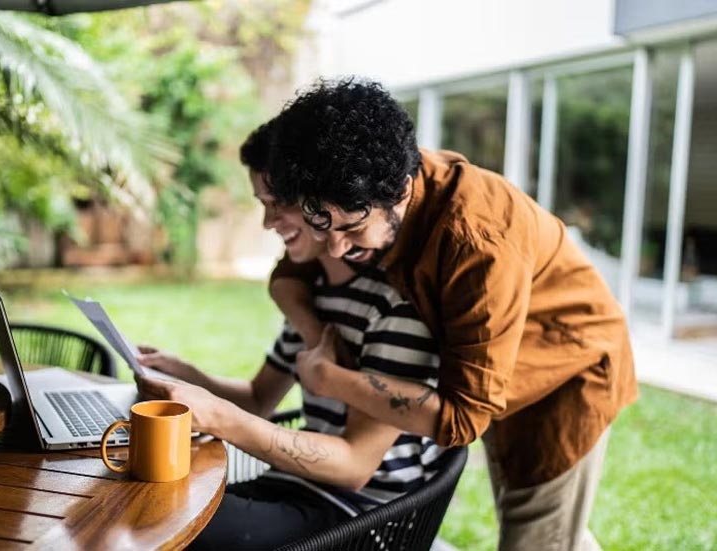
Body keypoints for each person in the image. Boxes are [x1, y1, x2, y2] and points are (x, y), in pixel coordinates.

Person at [265, 78, 638, 551]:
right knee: (557, 530)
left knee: (536, 532)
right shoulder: (353, 185)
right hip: (483, 368)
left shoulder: (477, 245)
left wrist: (329, 378)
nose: (335, 248)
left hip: (563, 374)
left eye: (353, 230)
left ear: (402, 191)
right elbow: (289, 273)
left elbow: (462, 420)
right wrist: (317, 333)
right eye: (322, 227)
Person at [134, 121, 457, 550]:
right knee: (149, 501)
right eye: (263, 203)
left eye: (280, 202)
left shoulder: (394, 307)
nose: (268, 221)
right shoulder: (313, 296)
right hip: (299, 487)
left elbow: (354, 467)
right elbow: (258, 398)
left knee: (162, 519)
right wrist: (185, 376)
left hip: (361, 518)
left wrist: (220, 417)